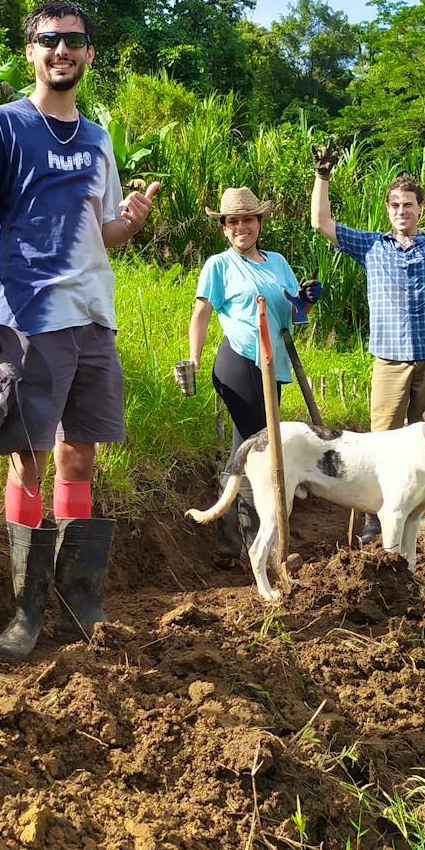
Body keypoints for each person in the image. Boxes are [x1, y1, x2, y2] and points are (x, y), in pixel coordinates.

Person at [0, 0, 160, 663]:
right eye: (49, 40)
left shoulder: (100, 140)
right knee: (28, 459)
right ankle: (26, 609)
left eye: (73, 40)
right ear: (31, 52)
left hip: (93, 322)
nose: (61, 51)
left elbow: (106, 238)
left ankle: (80, 598)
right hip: (29, 323)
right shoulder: (5, 125)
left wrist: (131, 220)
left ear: (89, 54)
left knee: (81, 457)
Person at [311, 135, 425, 539]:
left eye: (408, 205)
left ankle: (416, 512)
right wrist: (322, 175)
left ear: (420, 208)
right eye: (394, 205)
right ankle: (370, 520)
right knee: (380, 440)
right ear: (387, 210)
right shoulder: (370, 246)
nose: (401, 211)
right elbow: (321, 223)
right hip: (389, 361)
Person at [177, 187, 319, 567]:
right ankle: (254, 545)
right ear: (224, 228)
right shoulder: (218, 266)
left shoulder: (277, 263)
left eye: (248, 219)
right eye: (233, 221)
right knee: (259, 449)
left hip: (273, 365)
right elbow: (201, 314)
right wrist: (192, 358)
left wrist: (306, 299)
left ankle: (235, 546)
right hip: (239, 362)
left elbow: (291, 315)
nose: (242, 227)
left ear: (260, 223)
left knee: (250, 449)